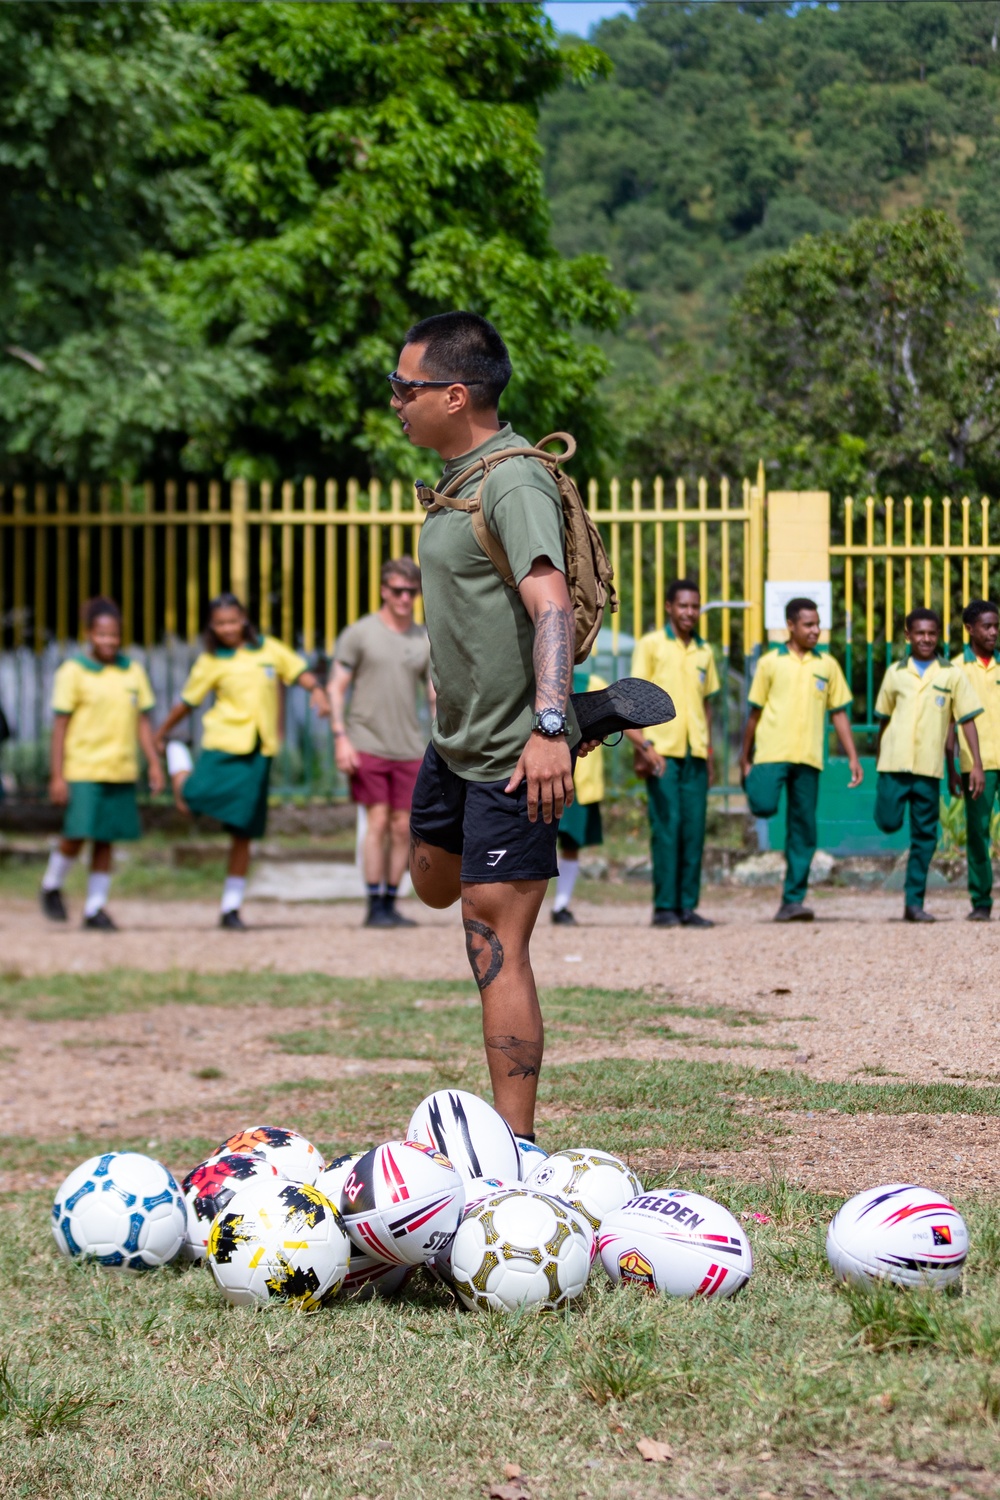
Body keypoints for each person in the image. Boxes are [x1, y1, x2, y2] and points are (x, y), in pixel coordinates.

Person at [393, 310, 582, 1145]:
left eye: (406, 387)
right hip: (456, 744)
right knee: (430, 883)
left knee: (491, 934)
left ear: (455, 393)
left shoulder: (510, 480)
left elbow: (552, 606)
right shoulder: (457, 480)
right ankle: (590, 712)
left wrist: (548, 728)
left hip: (515, 752)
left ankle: (517, 1151)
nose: (396, 400)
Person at [154, 593, 330, 930]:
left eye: (232, 621)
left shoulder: (268, 649)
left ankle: (230, 908)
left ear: (244, 619)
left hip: (259, 750)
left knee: (244, 831)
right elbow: (187, 701)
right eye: (220, 623)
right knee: (190, 800)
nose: (227, 628)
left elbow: (298, 672)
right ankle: (179, 762)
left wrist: (318, 692)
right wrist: (161, 732)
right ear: (211, 626)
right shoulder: (211, 661)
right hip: (224, 745)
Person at [40, 596, 164, 929]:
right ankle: (52, 884)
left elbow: (142, 721)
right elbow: (60, 726)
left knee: (106, 838)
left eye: (114, 635)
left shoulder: (133, 671)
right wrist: (57, 775)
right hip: (82, 767)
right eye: (101, 634)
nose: (108, 641)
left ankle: (95, 908)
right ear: (89, 635)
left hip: (120, 766)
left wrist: (153, 762)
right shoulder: (73, 672)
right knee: (78, 832)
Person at [740, 597, 863, 922]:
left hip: (808, 757)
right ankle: (754, 785)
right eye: (808, 625)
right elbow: (754, 713)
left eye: (817, 624)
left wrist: (853, 756)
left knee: (803, 828)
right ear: (791, 626)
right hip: (770, 753)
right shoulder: (769, 662)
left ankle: (792, 901)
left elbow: (839, 714)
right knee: (763, 804)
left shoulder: (827, 665)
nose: (815, 630)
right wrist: (744, 757)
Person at [330, 556, 434, 929]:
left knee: (402, 827)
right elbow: (336, 688)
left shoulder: (423, 638)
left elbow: (434, 693)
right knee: (375, 822)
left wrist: (442, 741)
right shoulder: (360, 634)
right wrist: (341, 738)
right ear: (383, 591)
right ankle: (373, 902)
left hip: (407, 745)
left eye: (411, 591)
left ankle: (390, 901)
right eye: (397, 591)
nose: (404, 598)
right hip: (366, 741)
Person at [875, 606, 983, 923]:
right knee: (888, 821)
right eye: (919, 633)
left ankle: (913, 903)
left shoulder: (951, 674)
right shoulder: (895, 672)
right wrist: (880, 754)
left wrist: (973, 763)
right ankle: (887, 815)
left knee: (925, 837)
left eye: (931, 633)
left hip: (927, 770)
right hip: (893, 766)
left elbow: (966, 721)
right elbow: (884, 718)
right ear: (907, 635)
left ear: (939, 635)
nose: (926, 639)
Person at [627, 578, 720, 929]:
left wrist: (709, 753)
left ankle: (687, 906)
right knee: (667, 828)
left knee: (694, 831)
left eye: (695, 606)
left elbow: (706, 707)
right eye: (683, 605)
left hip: (695, 754)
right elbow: (634, 699)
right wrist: (643, 746)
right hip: (660, 753)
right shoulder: (651, 645)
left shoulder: (705, 652)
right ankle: (665, 906)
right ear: (669, 607)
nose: (689, 612)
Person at [947, 600, 1000, 921]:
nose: (993, 632)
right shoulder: (955, 669)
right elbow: (950, 722)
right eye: (987, 626)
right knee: (978, 833)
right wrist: (954, 767)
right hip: (976, 766)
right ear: (970, 629)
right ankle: (981, 901)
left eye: (996, 625)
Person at [552, 659, 607, 926]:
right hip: (549, 773)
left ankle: (561, 905)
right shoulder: (540, 681)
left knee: (571, 844)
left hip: (580, 781)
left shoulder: (594, 686)